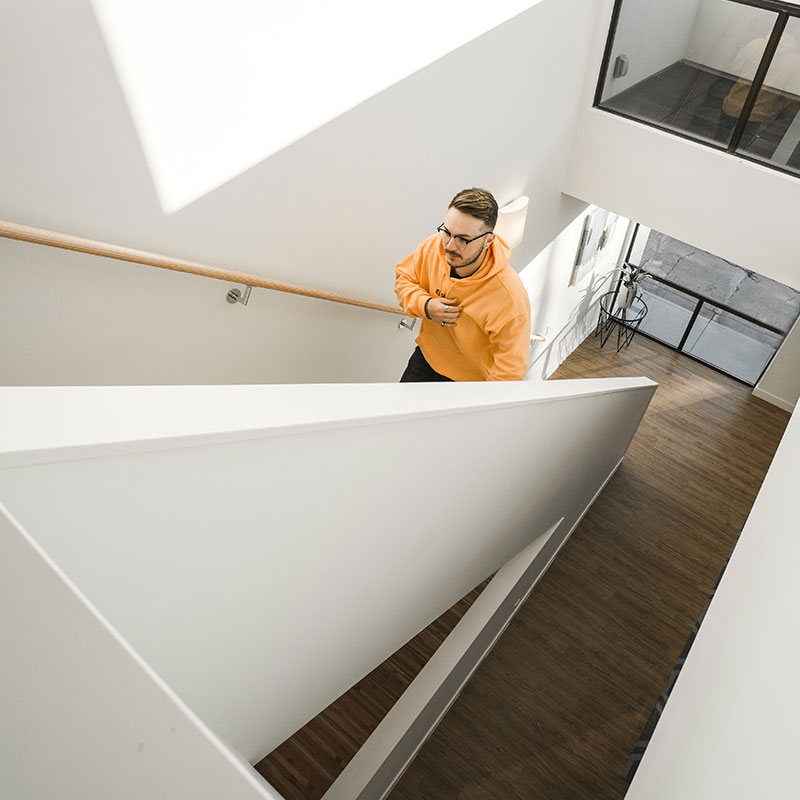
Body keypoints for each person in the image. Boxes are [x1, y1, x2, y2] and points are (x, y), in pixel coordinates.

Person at [395, 187, 531, 382]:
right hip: (427, 358)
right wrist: (425, 305)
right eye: (447, 232)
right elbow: (404, 278)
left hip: (469, 382)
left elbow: (509, 372)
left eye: (463, 239)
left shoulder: (510, 298)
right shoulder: (434, 246)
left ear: (488, 240)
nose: (450, 246)